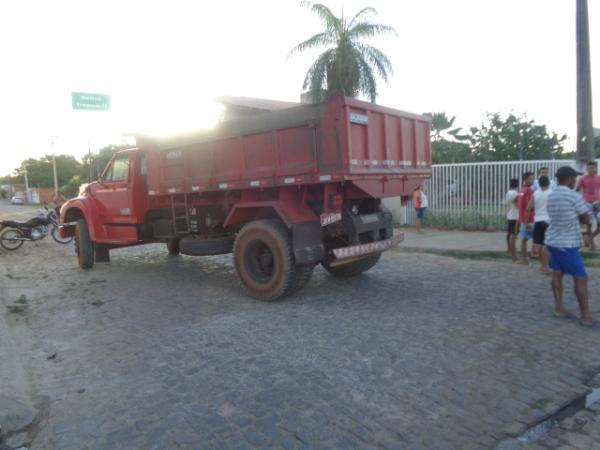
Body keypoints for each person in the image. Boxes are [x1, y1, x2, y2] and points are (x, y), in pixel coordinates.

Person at [546, 166, 598, 327]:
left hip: (552, 240)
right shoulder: (573, 196)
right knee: (581, 277)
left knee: (557, 272)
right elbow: (585, 219)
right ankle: (586, 316)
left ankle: (559, 308)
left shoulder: (551, 195)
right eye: (574, 178)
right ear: (569, 179)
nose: (576, 181)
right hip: (566, 243)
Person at [527, 176, 551, 273]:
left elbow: (528, 208)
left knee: (539, 245)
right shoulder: (551, 193)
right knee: (547, 246)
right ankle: (546, 267)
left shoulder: (535, 193)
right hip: (548, 221)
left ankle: (542, 265)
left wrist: (526, 222)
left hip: (537, 221)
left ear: (539, 184)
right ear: (548, 183)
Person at [576, 161, 600, 250]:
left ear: (595, 168)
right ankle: (592, 244)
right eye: (589, 168)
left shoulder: (598, 178)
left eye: (592, 168)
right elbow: (577, 189)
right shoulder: (582, 179)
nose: (590, 170)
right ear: (586, 169)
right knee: (588, 224)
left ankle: (589, 238)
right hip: (587, 203)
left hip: (597, 203)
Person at [518, 172, 535, 264]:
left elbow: (520, 205)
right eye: (530, 179)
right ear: (525, 179)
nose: (532, 180)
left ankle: (525, 259)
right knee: (527, 240)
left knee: (524, 240)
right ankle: (526, 259)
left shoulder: (522, 190)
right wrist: (527, 221)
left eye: (533, 178)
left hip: (523, 219)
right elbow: (529, 207)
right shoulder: (528, 191)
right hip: (529, 220)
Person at [505, 178, 520, 263]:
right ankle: (514, 258)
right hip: (515, 217)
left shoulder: (508, 192)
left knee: (509, 234)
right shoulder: (516, 194)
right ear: (517, 185)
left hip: (510, 215)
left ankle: (509, 249)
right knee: (514, 237)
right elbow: (518, 205)